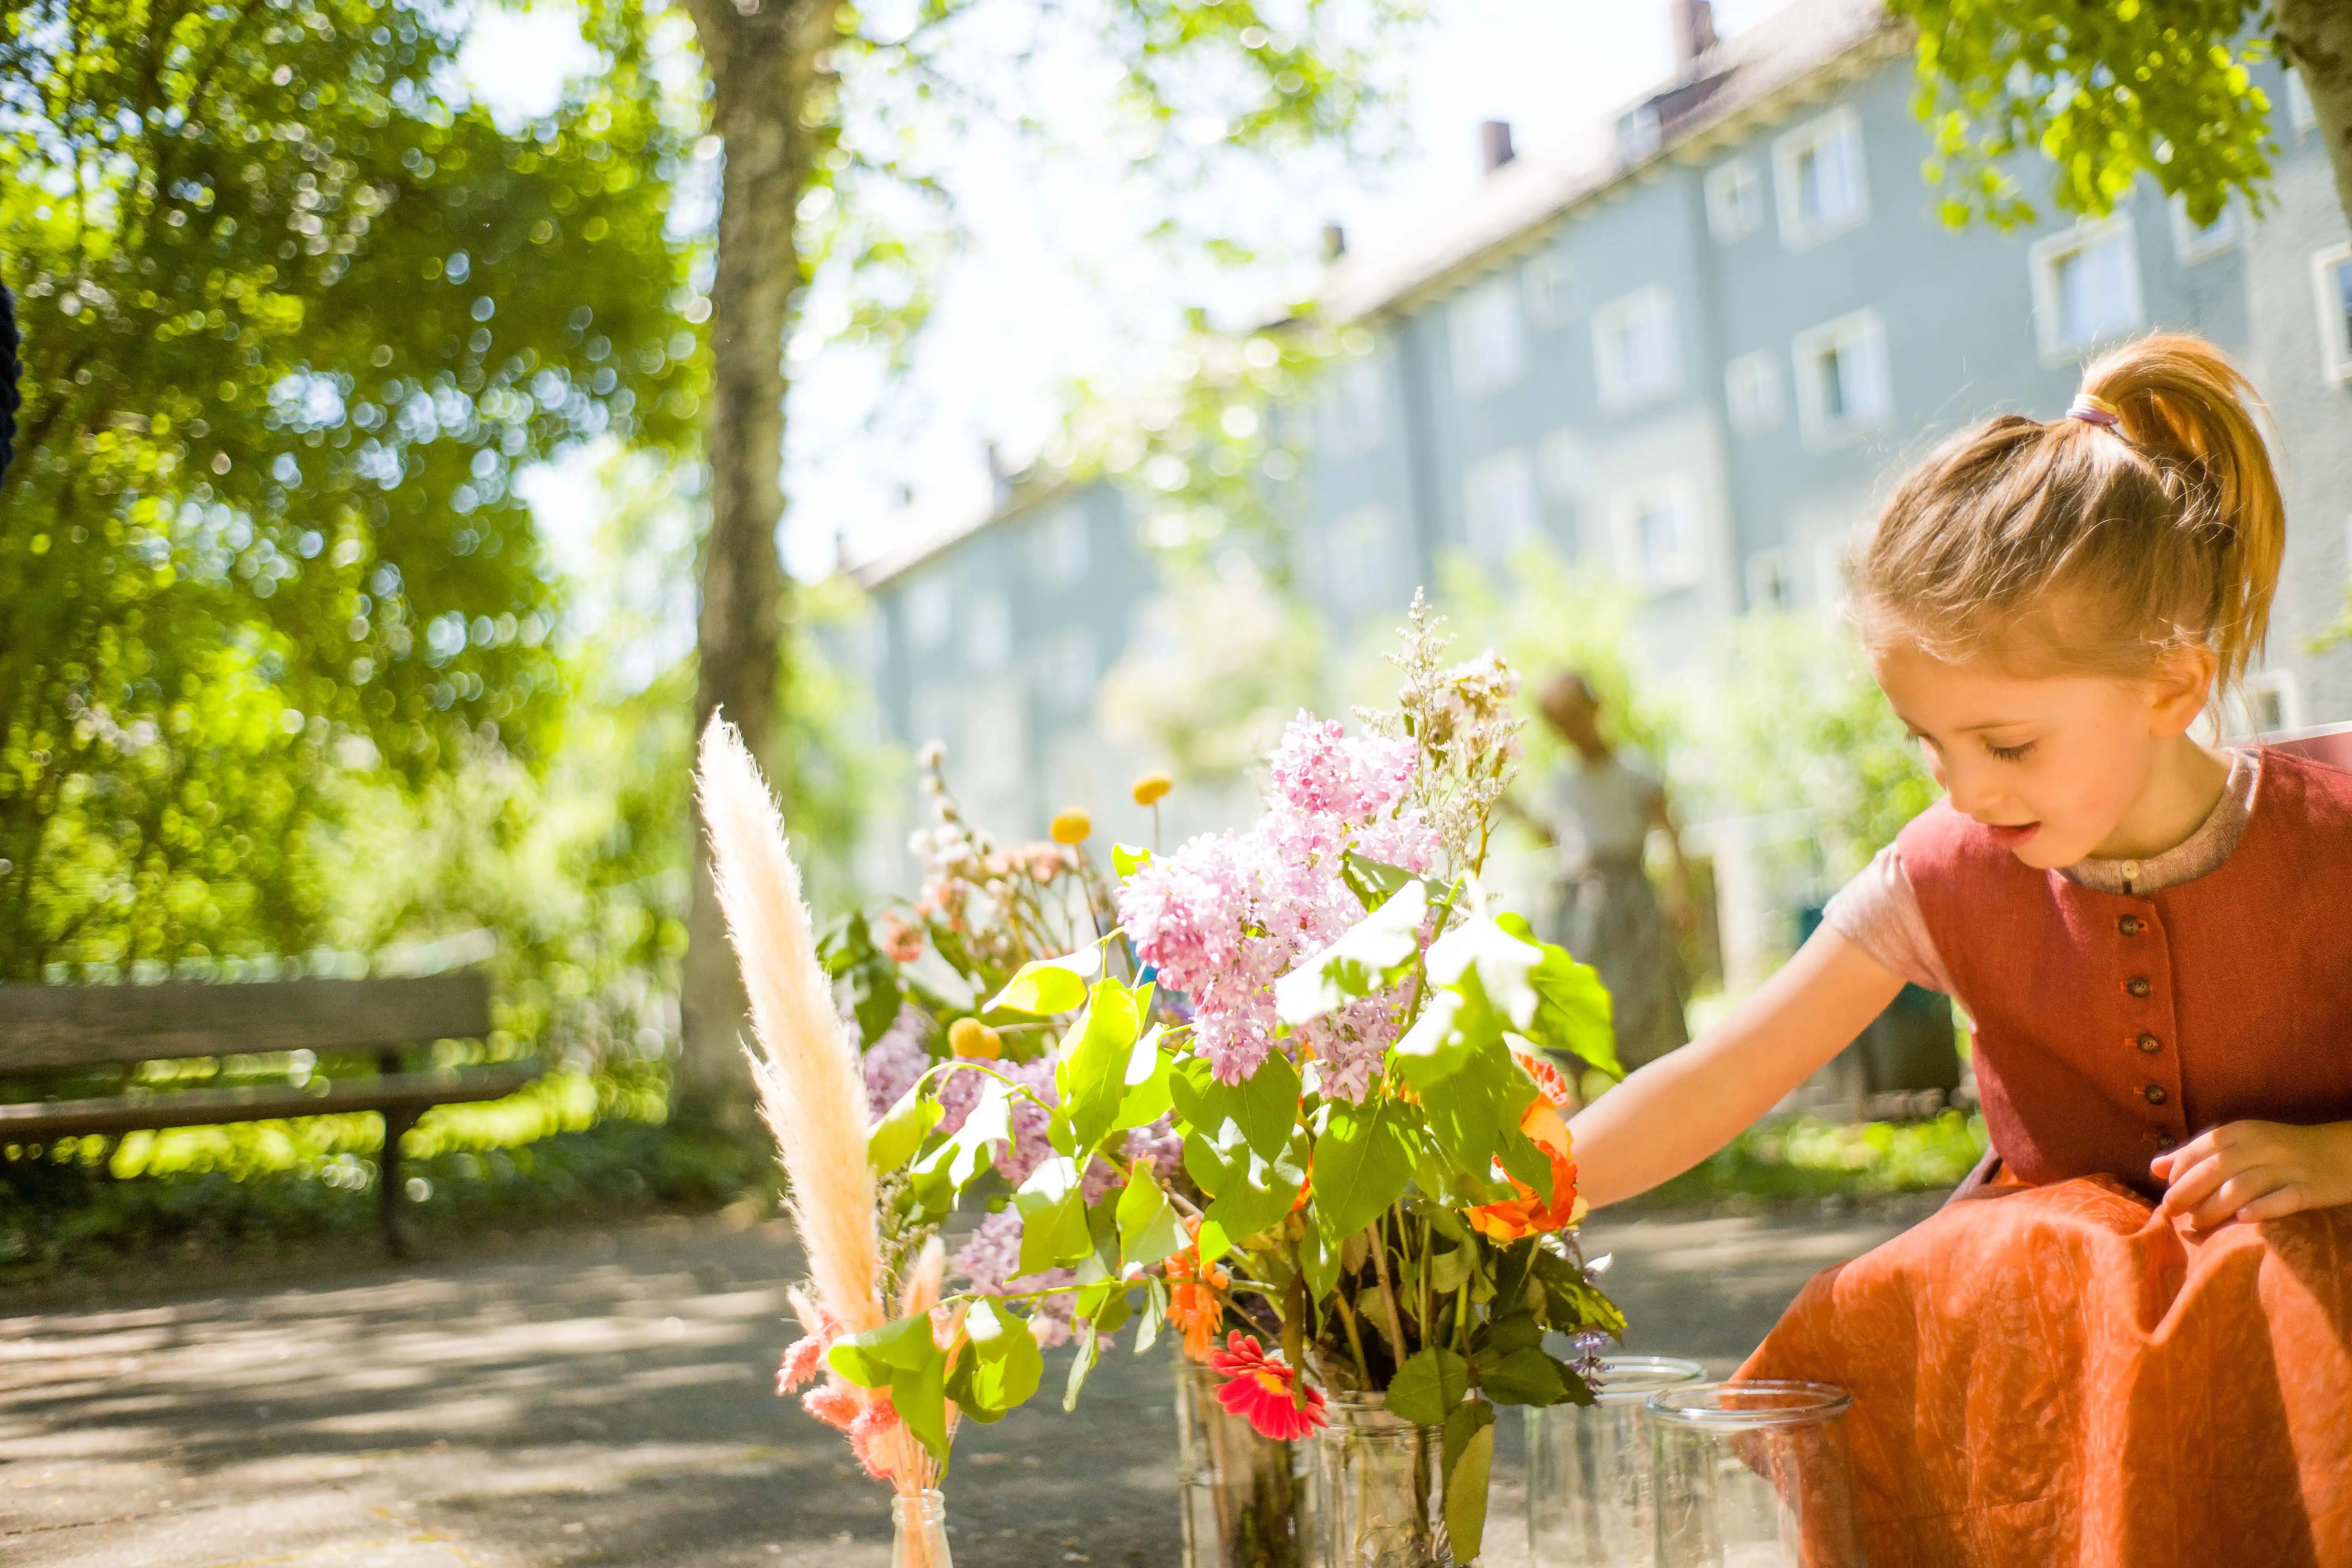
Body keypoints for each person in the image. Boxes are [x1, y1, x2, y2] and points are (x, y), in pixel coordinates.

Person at [1567, 332, 2352, 1565]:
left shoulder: (2338, 832)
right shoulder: (1946, 871)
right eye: (1929, 743)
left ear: (2173, 684)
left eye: (2008, 743)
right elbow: (1724, 1074)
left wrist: (2334, 1153)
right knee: (1990, 1275)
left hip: (2313, 1289)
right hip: (2054, 1305)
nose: (1964, 786)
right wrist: (1500, 1193)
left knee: (2276, 1290)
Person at [1508, 672, 1694, 1071]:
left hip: (1629, 904)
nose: (1572, 730)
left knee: (1642, 999)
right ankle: (1586, 1100)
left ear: (1595, 709)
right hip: (1577, 908)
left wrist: (1679, 894)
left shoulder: (1633, 770)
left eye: (1576, 717)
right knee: (1575, 997)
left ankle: (1651, 1086)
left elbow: (1672, 834)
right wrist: (1507, 804)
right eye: (1561, 724)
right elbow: (1554, 835)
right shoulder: (1562, 781)